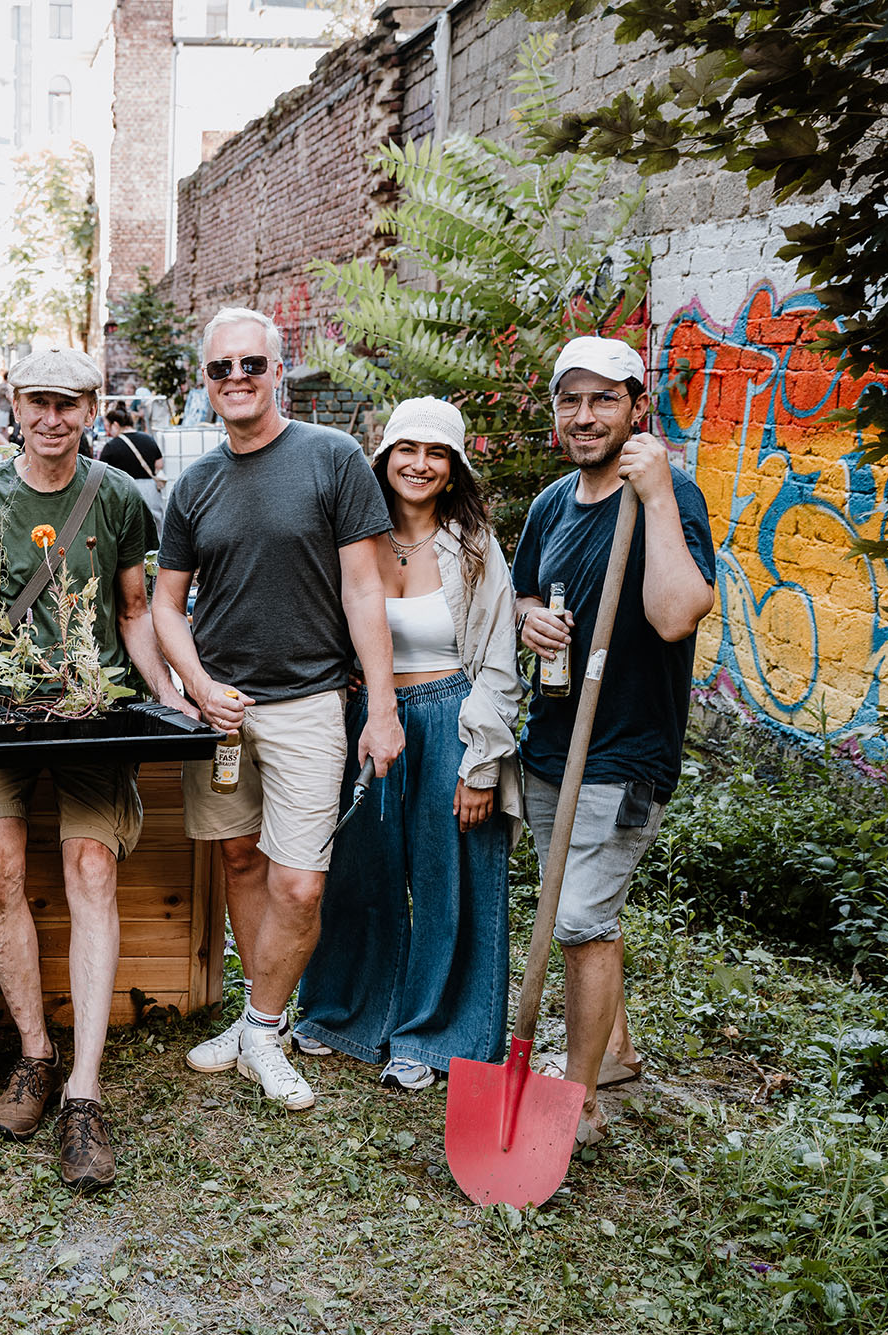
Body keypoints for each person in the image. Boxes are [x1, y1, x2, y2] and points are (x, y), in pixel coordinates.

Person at [0, 348, 193, 1191]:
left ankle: (84, 1091)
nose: (52, 418)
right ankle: (34, 1055)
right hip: (4, 709)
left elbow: (131, 610)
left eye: (68, 404)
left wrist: (169, 691)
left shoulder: (117, 495)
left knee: (90, 869)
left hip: (94, 709)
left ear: (90, 411)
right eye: (38, 402)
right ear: (14, 405)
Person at [152, 307, 403, 1113]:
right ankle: (263, 1023)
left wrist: (383, 705)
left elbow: (366, 589)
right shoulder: (195, 485)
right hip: (222, 713)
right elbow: (165, 605)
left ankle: (261, 1025)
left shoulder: (331, 459)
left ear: (278, 370)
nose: (236, 379)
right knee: (238, 863)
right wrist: (195, 682)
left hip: (308, 705)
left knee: (299, 884)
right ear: (206, 380)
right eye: (221, 368)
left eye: (250, 365)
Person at [513, 336, 715, 1145]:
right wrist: (531, 619)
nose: (585, 415)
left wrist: (660, 497)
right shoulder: (551, 505)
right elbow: (526, 592)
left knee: (579, 922)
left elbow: (675, 614)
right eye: (572, 399)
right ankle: (617, 1047)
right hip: (551, 742)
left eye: (604, 398)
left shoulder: (673, 496)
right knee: (574, 907)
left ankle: (581, 1096)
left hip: (623, 750)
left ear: (638, 405)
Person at [294, 397, 522, 1090]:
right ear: (383, 456)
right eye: (407, 450)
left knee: (449, 880)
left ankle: (434, 1035)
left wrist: (482, 763)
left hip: (453, 715)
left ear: (452, 469)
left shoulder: (475, 546)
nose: (419, 465)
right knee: (358, 870)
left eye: (437, 453)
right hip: (370, 713)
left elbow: (502, 660)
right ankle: (345, 1013)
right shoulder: (352, 537)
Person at [99, 406, 164, 538]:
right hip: (150, 491)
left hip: (124, 493)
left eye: (108, 426)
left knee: (131, 535)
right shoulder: (149, 439)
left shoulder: (111, 446)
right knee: (155, 532)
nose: (108, 431)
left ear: (115, 425)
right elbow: (159, 464)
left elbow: (101, 475)